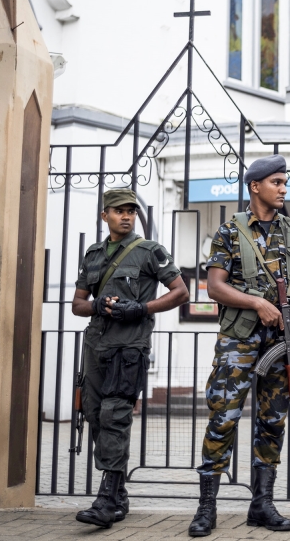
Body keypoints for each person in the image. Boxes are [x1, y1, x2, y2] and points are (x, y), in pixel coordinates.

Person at [188, 155, 290, 537]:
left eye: (285, 182)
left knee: (273, 421)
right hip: (239, 338)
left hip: (283, 340)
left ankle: (262, 504)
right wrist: (257, 303)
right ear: (255, 186)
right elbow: (214, 286)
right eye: (277, 182)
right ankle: (206, 506)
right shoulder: (230, 231)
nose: (283, 188)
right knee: (223, 418)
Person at [71, 189, 189, 529]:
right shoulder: (93, 255)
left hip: (129, 348)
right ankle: (120, 495)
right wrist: (97, 305)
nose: (126, 216)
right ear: (104, 215)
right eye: (119, 210)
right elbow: (77, 304)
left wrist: (141, 308)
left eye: (131, 211)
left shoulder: (150, 251)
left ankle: (106, 501)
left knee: (115, 416)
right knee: (95, 414)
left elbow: (180, 292)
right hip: (96, 346)